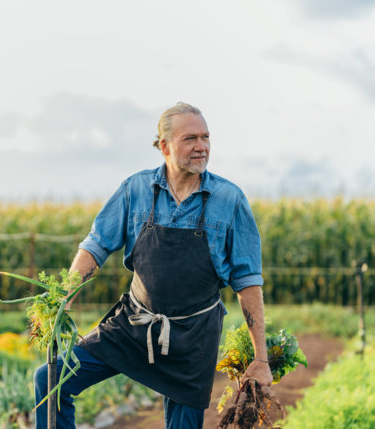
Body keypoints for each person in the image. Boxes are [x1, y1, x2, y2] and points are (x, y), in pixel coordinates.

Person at [34, 102, 273, 429]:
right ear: (164, 146)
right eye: (190, 138)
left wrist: (261, 358)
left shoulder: (229, 199)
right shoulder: (136, 189)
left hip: (193, 340)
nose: (201, 146)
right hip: (133, 324)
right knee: (51, 379)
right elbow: (96, 245)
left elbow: (248, 282)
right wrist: (63, 297)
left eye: (205, 137)